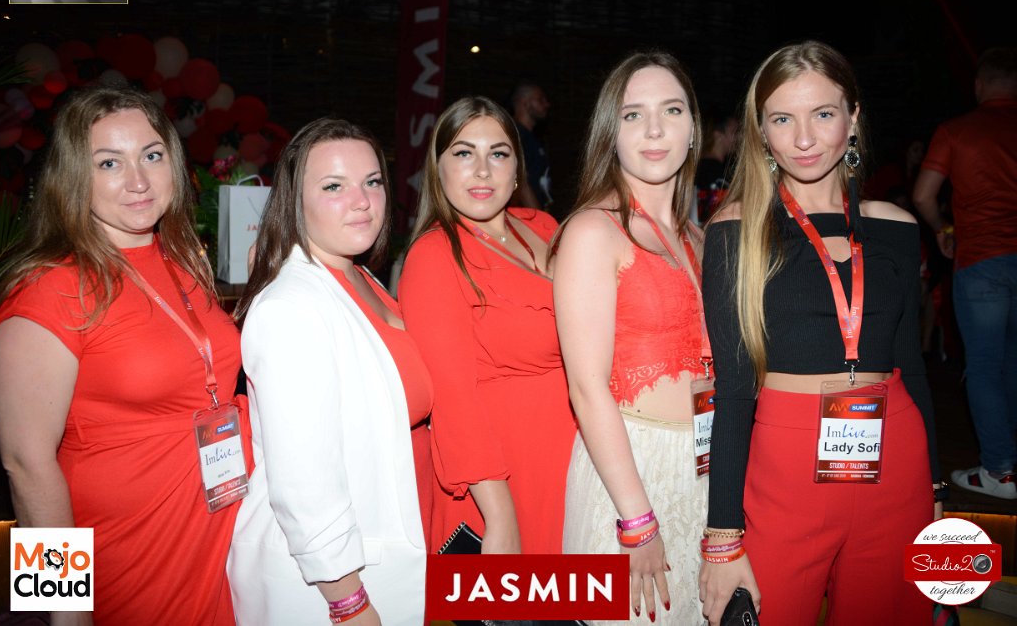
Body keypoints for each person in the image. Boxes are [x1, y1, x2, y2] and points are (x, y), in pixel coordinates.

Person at [698, 41, 941, 625]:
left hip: (897, 457)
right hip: (784, 465)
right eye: (783, 119)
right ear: (761, 131)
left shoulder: (898, 227)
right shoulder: (736, 231)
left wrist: (936, 491)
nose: (804, 138)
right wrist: (723, 536)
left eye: (823, 114)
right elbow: (733, 388)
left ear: (852, 118)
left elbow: (913, 365)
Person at [0, 86, 245, 625]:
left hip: (213, 539)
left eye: (152, 155)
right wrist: (64, 610)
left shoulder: (182, 259)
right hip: (124, 558)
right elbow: (24, 464)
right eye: (109, 163)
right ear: (73, 176)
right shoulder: (48, 287)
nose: (138, 181)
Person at [228, 118, 428, 625]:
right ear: (295, 203)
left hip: (385, 549)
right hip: (332, 582)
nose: (361, 201)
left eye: (372, 182)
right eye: (334, 187)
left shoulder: (360, 276)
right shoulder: (291, 305)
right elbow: (303, 480)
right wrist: (347, 600)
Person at [553, 51, 709, 625]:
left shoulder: (699, 237)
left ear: (693, 128)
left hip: (701, 469)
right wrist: (637, 520)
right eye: (633, 114)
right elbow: (586, 388)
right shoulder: (593, 231)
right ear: (610, 132)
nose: (654, 129)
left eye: (671, 110)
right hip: (628, 473)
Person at [398, 96, 576, 555]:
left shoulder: (543, 226)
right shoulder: (434, 255)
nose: (482, 170)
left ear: (517, 170)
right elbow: (452, 400)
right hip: (499, 486)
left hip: (573, 467)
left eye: (498, 153)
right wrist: (499, 517)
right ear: (437, 169)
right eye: (463, 153)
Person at [913, 46, 1017, 499]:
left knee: (986, 366)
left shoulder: (956, 131)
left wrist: (942, 229)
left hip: (982, 261)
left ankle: (1000, 471)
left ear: (979, 86)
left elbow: (923, 195)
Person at [511, 81, 553, 210]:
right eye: (540, 100)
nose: (547, 104)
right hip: (527, 216)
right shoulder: (515, 135)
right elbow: (520, 180)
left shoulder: (532, 137)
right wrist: (538, 217)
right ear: (525, 103)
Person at [695, 111, 739, 223]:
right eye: (735, 132)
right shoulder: (714, 172)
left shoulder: (697, 168)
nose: (739, 137)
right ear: (718, 135)